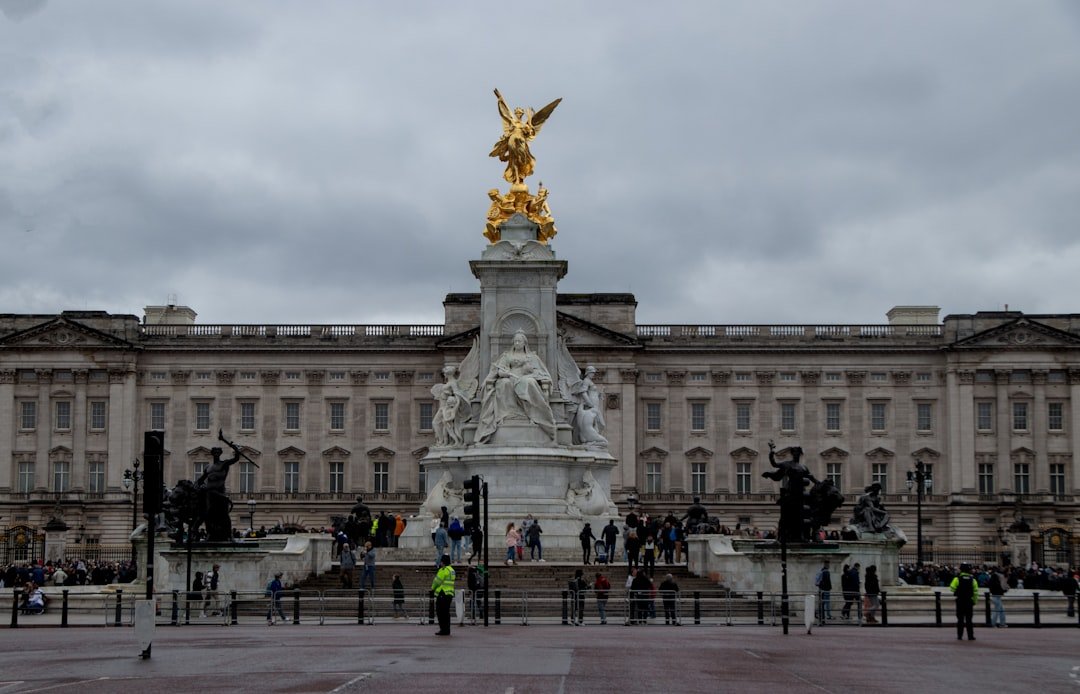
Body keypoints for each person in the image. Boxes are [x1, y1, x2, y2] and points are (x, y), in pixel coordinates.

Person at [476, 330, 556, 443]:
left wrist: (529, 371)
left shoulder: (532, 356)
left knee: (529, 382)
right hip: (509, 377)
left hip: (526, 377)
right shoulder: (506, 355)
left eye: (519, 341)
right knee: (504, 383)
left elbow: (539, 371)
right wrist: (504, 374)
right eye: (515, 341)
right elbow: (499, 371)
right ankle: (507, 414)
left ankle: (533, 414)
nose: (517, 343)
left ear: (524, 343)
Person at [196, 443, 241, 541]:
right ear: (212, 453)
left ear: (220, 453)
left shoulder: (224, 464)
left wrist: (235, 449)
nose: (216, 453)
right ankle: (210, 533)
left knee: (224, 514)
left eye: (218, 452)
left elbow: (236, 459)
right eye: (214, 452)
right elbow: (200, 480)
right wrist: (201, 486)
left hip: (220, 493)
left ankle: (229, 535)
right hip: (209, 493)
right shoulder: (208, 467)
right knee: (207, 514)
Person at [950, 562, 978, 641]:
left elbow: (952, 588)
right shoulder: (973, 580)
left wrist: (958, 590)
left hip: (960, 601)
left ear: (961, 570)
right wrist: (974, 601)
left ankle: (960, 635)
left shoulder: (957, 579)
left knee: (960, 619)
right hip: (969, 601)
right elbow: (976, 592)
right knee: (969, 620)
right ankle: (970, 636)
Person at [431, 555, 456, 636]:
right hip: (450, 593)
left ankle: (443, 629)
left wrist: (432, 588)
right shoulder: (452, 570)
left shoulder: (443, 570)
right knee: (446, 613)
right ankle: (447, 629)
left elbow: (437, 581)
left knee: (440, 612)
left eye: (441, 561)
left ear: (443, 562)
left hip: (442, 593)